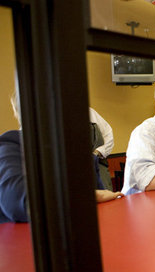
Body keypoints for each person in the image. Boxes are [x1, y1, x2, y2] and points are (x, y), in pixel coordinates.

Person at [0, 93, 123, 224]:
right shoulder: (11, 145)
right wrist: (85, 197)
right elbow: (18, 202)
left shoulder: (79, 154)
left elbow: (101, 204)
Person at [89, 107, 114, 191]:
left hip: (99, 164)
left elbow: (108, 135)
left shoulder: (90, 112)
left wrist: (97, 153)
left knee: (107, 199)